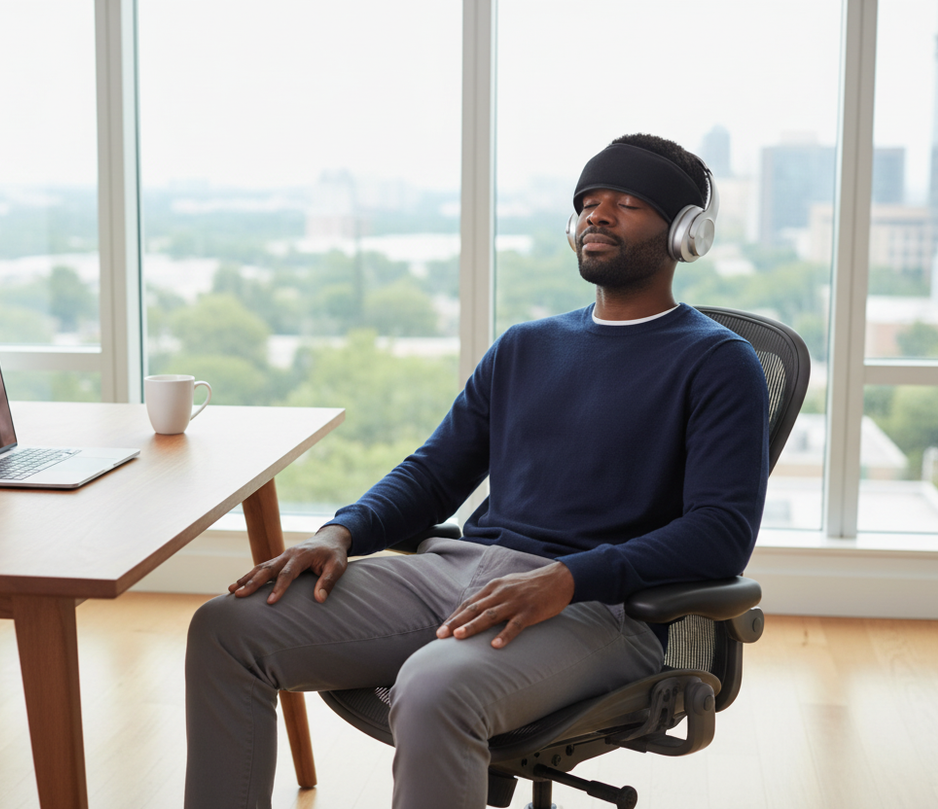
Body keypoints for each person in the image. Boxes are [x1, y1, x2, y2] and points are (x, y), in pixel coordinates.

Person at [183, 133, 770, 809]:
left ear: (686, 234)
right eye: (588, 202)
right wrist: (340, 533)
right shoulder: (527, 346)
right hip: (459, 572)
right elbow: (434, 471)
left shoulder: (717, 362)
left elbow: (719, 534)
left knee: (436, 686)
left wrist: (569, 577)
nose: (597, 216)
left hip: (599, 609)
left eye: (628, 204)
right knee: (227, 628)